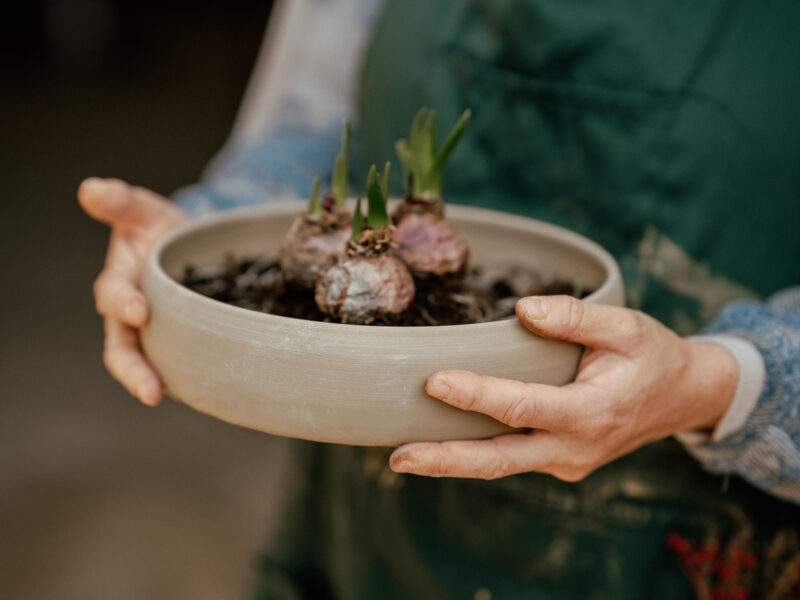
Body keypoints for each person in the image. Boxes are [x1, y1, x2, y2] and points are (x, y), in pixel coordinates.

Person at [79, 0, 800, 597]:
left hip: (694, 539)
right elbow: (301, 127)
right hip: (369, 515)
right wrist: (197, 235)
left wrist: (723, 383)